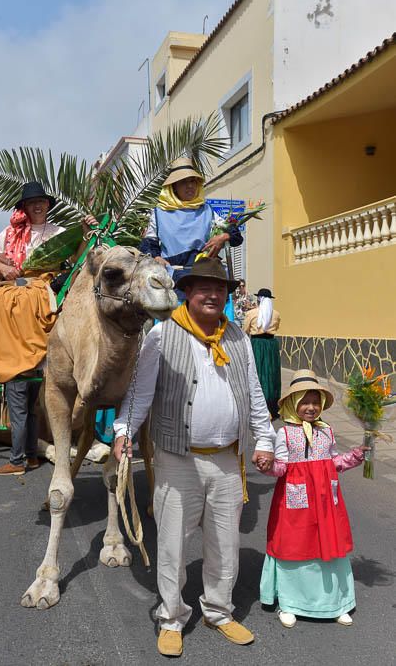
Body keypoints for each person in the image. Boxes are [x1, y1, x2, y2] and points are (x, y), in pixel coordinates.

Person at [113, 257, 275, 657]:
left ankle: (218, 611)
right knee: (173, 544)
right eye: (204, 287)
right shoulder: (162, 335)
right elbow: (140, 393)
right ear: (186, 292)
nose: (213, 294)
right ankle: (171, 616)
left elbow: (253, 392)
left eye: (219, 288)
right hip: (177, 459)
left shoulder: (237, 336)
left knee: (225, 542)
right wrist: (123, 432)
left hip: (226, 459)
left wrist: (266, 440)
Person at [259, 370, 369, 628]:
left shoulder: (327, 431)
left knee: (328, 546)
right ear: (292, 403)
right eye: (305, 402)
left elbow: (334, 463)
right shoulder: (285, 433)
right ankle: (290, 602)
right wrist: (267, 465)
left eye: (315, 401)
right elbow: (281, 469)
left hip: (325, 503)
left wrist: (356, 455)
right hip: (294, 504)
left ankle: (336, 603)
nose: (311, 407)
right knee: (294, 547)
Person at [0, 181, 64, 476]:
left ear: (48, 205)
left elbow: (80, 253)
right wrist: (3, 268)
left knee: (24, 402)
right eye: (32, 203)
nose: (37, 206)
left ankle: (20, 459)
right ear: (24, 208)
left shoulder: (58, 234)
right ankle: (27, 457)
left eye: (41, 201)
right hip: (14, 296)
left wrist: (90, 229)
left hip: (43, 294)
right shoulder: (11, 233)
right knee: (24, 403)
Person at [140, 157, 243, 289]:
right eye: (183, 182)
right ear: (174, 187)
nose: (190, 186)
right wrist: (156, 258)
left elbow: (237, 237)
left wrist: (223, 237)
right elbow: (148, 245)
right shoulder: (158, 213)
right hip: (171, 279)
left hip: (204, 276)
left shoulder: (208, 211)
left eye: (193, 181)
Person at [243, 288, 281, 418]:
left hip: (257, 345)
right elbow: (277, 327)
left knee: (257, 372)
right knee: (271, 373)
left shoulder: (251, 313)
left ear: (259, 298)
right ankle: (271, 405)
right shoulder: (276, 314)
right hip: (271, 345)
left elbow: (245, 330)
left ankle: (256, 405)